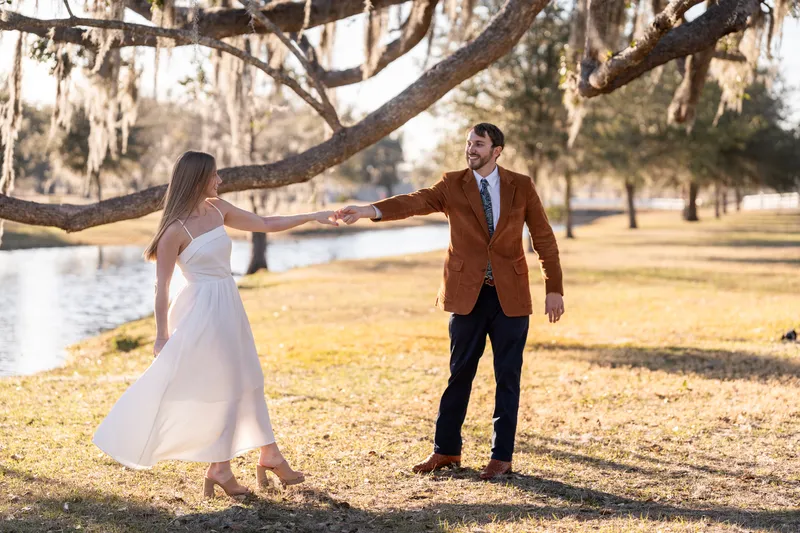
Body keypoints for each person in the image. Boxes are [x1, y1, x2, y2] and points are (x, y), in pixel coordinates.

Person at [93, 150, 338, 498]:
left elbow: (266, 222)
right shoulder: (173, 232)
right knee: (229, 382)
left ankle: (250, 458)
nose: (220, 181)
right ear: (197, 178)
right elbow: (161, 288)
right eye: (215, 175)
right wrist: (161, 335)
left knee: (248, 376)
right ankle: (235, 462)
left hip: (228, 302)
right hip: (200, 310)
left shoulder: (217, 209)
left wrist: (314, 216)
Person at [337, 123, 565, 480]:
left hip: (511, 297)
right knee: (459, 375)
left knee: (508, 378)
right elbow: (413, 201)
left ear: (497, 150)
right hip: (466, 296)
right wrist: (370, 210)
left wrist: (554, 287)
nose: (471, 149)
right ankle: (446, 451)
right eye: (469, 143)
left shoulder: (521, 185)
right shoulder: (452, 185)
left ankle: (501, 457)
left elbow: (544, 237)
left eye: (479, 144)